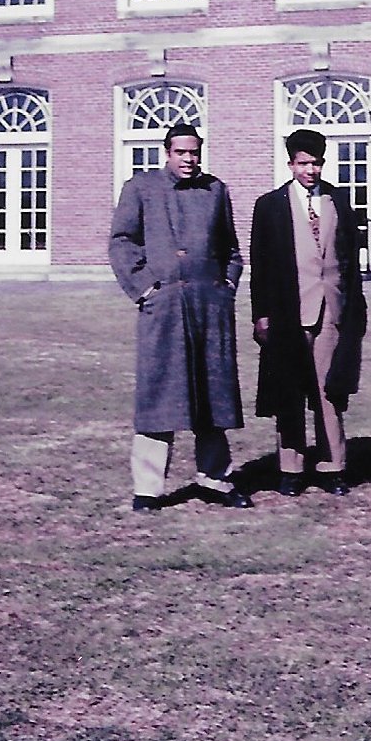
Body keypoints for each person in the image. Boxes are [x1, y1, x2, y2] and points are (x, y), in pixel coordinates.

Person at [108, 124, 252, 512]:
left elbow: (231, 249)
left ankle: (215, 479)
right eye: (181, 152)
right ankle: (148, 488)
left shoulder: (215, 190)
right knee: (159, 396)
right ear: (167, 153)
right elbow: (121, 243)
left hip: (209, 308)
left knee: (212, 395)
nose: (188, 159)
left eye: (194, 152)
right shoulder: (141, 188)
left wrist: (226, 285)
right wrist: (146, 288)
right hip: (165, 308)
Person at [249, 129, 367, 497]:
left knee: (328, 390)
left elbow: (349, 259)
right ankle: (291, 468)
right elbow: (260, 266)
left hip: (330, 308)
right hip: (289, 310)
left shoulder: (338, 201)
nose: (310, 170)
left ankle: (333, 466)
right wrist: (261, 313)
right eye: (303, 164)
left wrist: (354, 307)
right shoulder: (270, 206)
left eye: (316, 163)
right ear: (290, 164)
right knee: (289, 390)